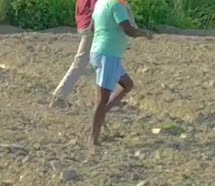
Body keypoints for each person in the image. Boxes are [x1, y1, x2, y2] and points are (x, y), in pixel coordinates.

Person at [89, 0, 152, 146]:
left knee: (127, 84)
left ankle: (102, 113)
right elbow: (128, 30)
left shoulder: (100, 3)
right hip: (108, 55)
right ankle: (93, 139)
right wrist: (145, 33)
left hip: (102, 53)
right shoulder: (116, 5)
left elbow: (92, 27)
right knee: (101, 99)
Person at [49, 0, 97, 109]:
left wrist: (80, 22)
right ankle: (59, 97)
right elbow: (96, 9)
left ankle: (107, 96)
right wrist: (93, 27)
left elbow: (78, 7)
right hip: (92, 27)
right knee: (81, 62)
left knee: (96, 63)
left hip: (84, 25)